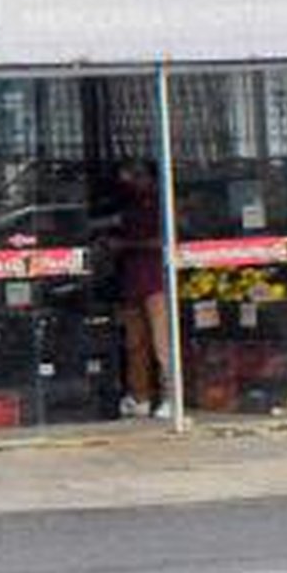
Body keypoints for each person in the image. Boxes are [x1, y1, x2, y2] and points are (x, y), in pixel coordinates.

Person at [111, 162, 173, 420]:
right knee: (135, 344)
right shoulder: (130, 204)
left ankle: (171, 397)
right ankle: (141, 397)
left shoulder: (161, 203)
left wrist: (126, 244)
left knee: (162, 344)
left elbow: (164, 240)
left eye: (138, 175)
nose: (132, 180)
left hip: (156, 281)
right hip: (133, 282)